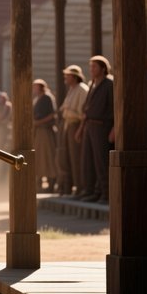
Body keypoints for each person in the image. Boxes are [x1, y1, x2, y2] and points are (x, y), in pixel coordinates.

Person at [76, 55, 114, 203]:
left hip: (102, 126)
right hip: (89, 125)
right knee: (89, 161)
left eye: (94, 67)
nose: (91, 69)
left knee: (101, 161)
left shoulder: (109, 84)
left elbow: (114, 107)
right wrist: (81, 129)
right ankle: (93, 191)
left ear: (103, 68)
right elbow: (87, 109)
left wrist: (114, 128)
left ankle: (106, 193)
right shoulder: (93, 84)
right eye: (90, 66)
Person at [56, 65, 89, 196]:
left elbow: (82, 113)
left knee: (76, 158)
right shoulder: (72, 89)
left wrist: (79, 128)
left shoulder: (82, 89)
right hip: (67, 125)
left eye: (68, 75)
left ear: (75, 77)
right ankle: (68, 186)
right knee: (65, 157)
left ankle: (80, 187)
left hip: (76, 125)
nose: (65, 78)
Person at [32, 79, 58, 192]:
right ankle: (39, 182)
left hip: (45, 131)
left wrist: (39, 122)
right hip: (38, 132)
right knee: (38, 157)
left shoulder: (47, 97)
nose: (34, 89)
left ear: (41, 87)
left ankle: (51, 182)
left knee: (47, 156)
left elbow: (52, 115)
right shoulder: (37, 99)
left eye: (36, 87)